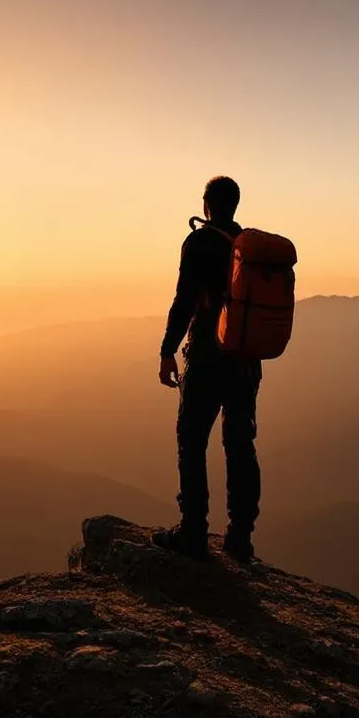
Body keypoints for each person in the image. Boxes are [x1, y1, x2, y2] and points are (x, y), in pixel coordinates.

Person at [155, 176, 262, 562]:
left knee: (192, 440)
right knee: (240, 445)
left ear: (206, 205)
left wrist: (168, 351)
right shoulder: (247, 247)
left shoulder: (200, 242)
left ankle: (193, 532)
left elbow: (184, 300)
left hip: (206, 357)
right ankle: (240, 538)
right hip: (246, 361)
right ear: (235, 204)